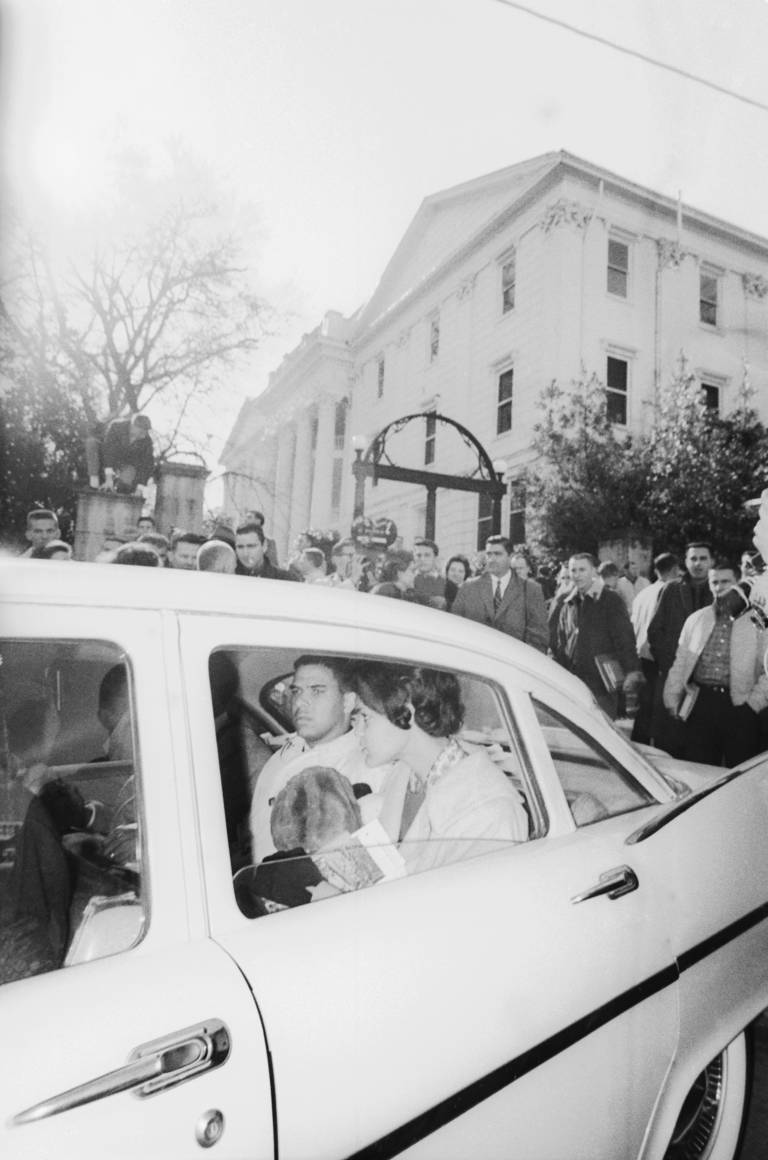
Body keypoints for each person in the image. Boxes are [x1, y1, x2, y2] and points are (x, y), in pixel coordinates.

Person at [349, 663, 528, 875]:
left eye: (365, 718)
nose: (357, 732)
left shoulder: (489, 812)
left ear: (406, 708)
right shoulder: (405, 774)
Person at [248, 655, 392, 863]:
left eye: (317, 691)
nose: (300, 702)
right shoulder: (281, 758)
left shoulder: (368, 765)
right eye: (296, 691)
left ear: (348, 701)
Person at [663, 560, 768, 766]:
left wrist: (752, 705)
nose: (719, 587)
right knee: (699, 769)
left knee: (738, 775)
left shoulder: (759, 622)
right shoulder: (697, 619)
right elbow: (681, 662)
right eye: (715, 582)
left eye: (726, 582)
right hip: (701, 704)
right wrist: (672, 698)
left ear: (738, 582)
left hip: (740, 706)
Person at [549, 553, 642, 719]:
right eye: (573, 570)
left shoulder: (610, 600)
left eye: (582, 569)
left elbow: (624, 638)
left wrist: (631, 670)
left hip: (602, 684)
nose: (577, 575)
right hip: (573, 682)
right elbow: (559, 641)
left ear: (593, 571)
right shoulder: (567, 602)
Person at [647, 541, 714, 754]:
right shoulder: (672, 589)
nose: (698, 563)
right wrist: (673, 664)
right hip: (673, 674)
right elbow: (655, 631)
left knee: (703, 743)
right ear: (685, 562)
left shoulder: (721, 591)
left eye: (703, 558)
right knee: (669, 738)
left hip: (708, 681)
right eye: (693, 558)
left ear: (712, 561)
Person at [451, 535, 549, 652]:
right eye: (489, 554)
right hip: (474, 664)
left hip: (514, 665)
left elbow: (539, 638)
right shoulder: (468, 588)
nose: (492, 559)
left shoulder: (531, 590)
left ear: (510, 556)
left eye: (497, 554)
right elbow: (455, 630)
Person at [629, 552, 680, 744]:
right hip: (656, 657)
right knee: (658, 710)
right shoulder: (669, 591)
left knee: (644, 708)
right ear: (675, 569)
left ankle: (638, 745)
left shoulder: (644, 592)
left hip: (641, 654)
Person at [102, 413, 154, 495]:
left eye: (146, 431)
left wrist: (140, 489)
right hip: (110, 462)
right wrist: (109, 478)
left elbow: (146, 465)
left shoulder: (147, 442)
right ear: (133, 426)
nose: (144, 435)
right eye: (141, 431)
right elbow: (109, 451)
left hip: (129, 468)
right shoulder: (116, 427)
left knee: (125, 486)